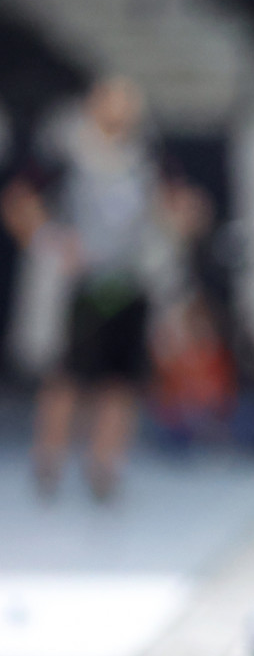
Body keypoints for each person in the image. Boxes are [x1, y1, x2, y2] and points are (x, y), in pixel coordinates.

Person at [12, 79, 168, 501]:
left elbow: (164, 204)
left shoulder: (143, 153)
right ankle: (49, 462)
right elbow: (20, 199)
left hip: (129, 280)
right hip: (78, 285)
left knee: (120, 381)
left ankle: (105, 466)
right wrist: (51, 242)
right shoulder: (64, 149)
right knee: (67, 377)